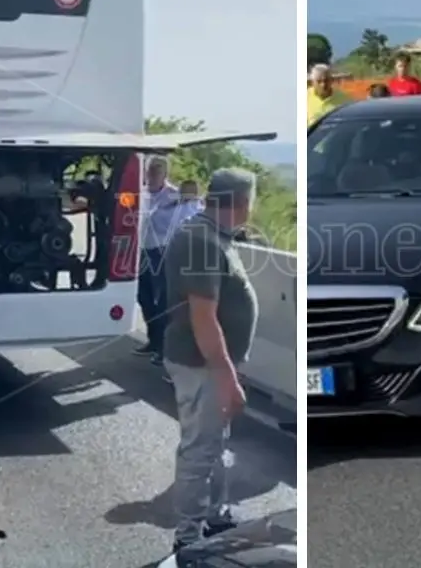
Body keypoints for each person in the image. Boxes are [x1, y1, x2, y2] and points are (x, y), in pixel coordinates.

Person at [163, 168, 259, 555]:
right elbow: (203, 317)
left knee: (215, 443)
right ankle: (188, 537)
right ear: (242, 202)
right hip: (200, 364)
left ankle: (215, 517)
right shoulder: (200, 241)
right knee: (200, 449)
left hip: (210, 364)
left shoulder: (214, 236)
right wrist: (226, 377)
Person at [135, 157, 182, 365]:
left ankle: (164, 348)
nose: (152, 175)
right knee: (143, 297)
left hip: (163, 251)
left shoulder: (175, 196)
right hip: (141, 251)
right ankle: (153, 340)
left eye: (157, 171)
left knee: (163, 301)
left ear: (165, 173)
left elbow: (188, 218)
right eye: (150, 171)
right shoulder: (140, 193)